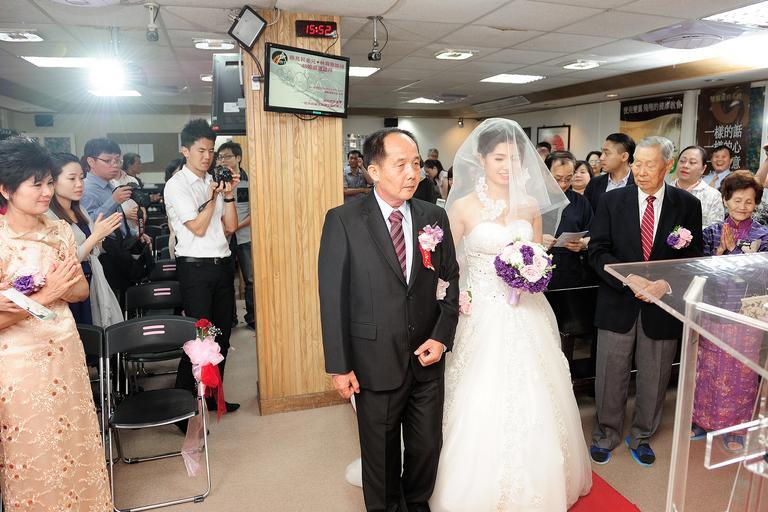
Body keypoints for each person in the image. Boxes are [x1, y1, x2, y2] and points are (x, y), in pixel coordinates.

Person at [431, 119, 591, 510]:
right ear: (481, 159)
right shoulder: (462, 207)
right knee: (478, 392)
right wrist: (461, 295)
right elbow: (448, 265)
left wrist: (533, 274)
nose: (507, 166)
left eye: (514, 159)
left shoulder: (530, 205)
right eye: (499, 158)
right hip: (481, 310)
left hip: (527, 311)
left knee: (538, 390)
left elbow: (535, 256)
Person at [319, 128, 460, 512]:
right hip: (373, 359)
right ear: (374, 171)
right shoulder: (344, 220)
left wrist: (442, 336)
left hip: (426, 356)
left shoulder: (434, 216)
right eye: (401, 165)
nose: (413, 173)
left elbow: (450, 280)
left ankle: (416, 504)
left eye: (416, 163)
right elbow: (332, 299)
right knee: (380, 455)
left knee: (427, 447)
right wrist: (339, 365)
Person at [0, 137, 112, 510]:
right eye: (37, 184)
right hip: (19, 363)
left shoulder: (59, 230)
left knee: (75, 441)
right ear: (6, 189)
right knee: (33, 450)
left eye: (49, 182)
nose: (47, 192)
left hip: (65, 349)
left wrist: (59, 287)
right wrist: (47, 294)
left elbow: (79, 291)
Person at [588, 136, 703, 467]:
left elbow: (693, 256)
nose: (640, 170)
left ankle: (642, 436)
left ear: (667, 165)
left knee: (655, 375)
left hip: (662, 305)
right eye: (637, 163)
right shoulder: (612, 201)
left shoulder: (687, 205)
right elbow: (597, 251)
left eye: (649, 164)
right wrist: (629, 279)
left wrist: (665, 284)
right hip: (617, 301)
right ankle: (606, 434)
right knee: (611, 373)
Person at [164, 119, 241, 423]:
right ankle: (183, 407)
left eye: (211, 151)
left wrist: (229, 194)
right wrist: (213, 196)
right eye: (201, 151)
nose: (207, 157)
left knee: (221, 337)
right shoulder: (177, 186)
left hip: (222, 265)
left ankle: (211, 396)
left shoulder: (215, 182)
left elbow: (231, 227)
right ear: (185, 151)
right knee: (199, 340)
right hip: (195, 269)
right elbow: (197, 227)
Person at [692, 171, 768, 451]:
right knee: (708, 368)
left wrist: (734, 252)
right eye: (737, 200)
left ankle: (737, 428)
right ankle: (701, 421)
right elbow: (700, 271)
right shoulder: (711, 232)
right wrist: (719, 253)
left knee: (742, 371)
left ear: (756, 204)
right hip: (712, 310)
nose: (742, 206)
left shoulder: (763, 234)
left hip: (746, 314)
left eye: (749, 201)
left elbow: (760, 275)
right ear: (725, 200)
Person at [47, 152, 123, 326]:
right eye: (71, 178)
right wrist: (95, 236)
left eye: (81, 178)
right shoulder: (48, 217)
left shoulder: (79, 208)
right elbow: (67, 260)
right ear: (53, 181)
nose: (79, 184)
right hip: (69, 288)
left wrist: (99, 237)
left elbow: (94, 251)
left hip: (91, 278)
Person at [217, 141, 255, 330]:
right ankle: (229, 318)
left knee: (250, 279)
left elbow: (255, 213)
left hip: (245, 237)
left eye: (228, 156)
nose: (223, 160)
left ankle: (252, 318)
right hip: (224, 238)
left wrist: (235, 226)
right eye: (220, 157)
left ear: (238, 158)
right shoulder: (217, 183)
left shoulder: (250, 182)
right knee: (225, 281)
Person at [544, 151, 594, 290]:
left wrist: (583, 244)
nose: (563, 184)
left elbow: (594, 234)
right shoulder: (533, 200)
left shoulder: (581, 202)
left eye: (568, 178)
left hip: (571, 271)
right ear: (545, 174)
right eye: (557, 179)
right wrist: (536, 240)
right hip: (536, 270)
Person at [673, 145, 725, 228]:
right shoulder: (664, 189)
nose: (685, 165)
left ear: (703, 169)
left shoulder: (713, 196)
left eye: (692, 162)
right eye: (682, 161)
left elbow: (715, 230)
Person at [584, 133, 636, 213]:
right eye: (602, 152)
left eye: (607, 153)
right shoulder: (594, 183)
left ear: (624, 157)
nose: (601, 158)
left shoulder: (638, 184)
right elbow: (587, 215)